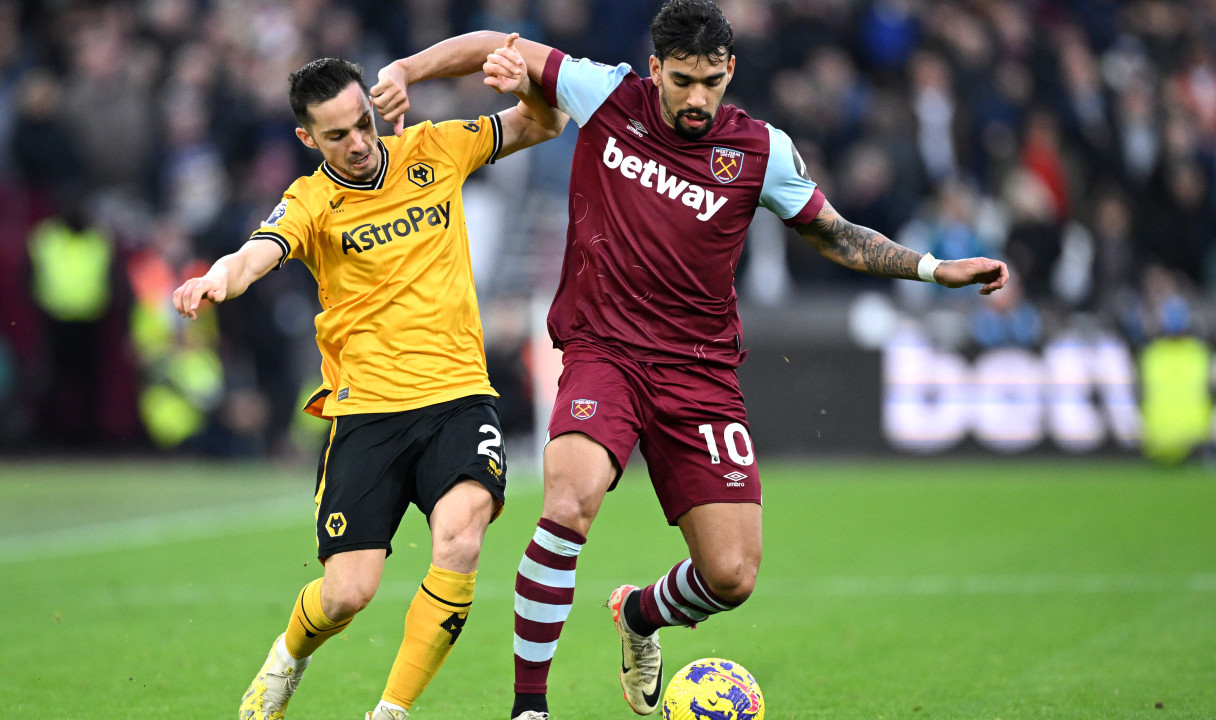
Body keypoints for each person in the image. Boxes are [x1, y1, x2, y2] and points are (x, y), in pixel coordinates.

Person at [370, 3, 1009, 719]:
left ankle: (640, 615)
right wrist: (404, 70)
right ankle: (529, 709)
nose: (698, 97)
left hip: (699, 373)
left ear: (730, 70)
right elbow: (498, 42)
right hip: (604, 351)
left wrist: (931, 269)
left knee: (732, 575)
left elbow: (833, 234)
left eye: (711, 81)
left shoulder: (760, 150)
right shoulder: (605, 92)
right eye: (682, 81)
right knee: (567, 500)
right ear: (655, 71)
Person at [172, 38, 566, 720]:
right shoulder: (312, 200)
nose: (359, 142)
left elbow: (547, 122)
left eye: (363, 123)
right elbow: (258, 251)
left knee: (462, 535)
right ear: (307, 138)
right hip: (370, 411)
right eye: (337, 135)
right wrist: (217, 278)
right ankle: (288, 657)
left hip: (458, 396)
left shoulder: (435, 148)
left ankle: (390, 711)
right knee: (348, 593)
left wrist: (524, 82)